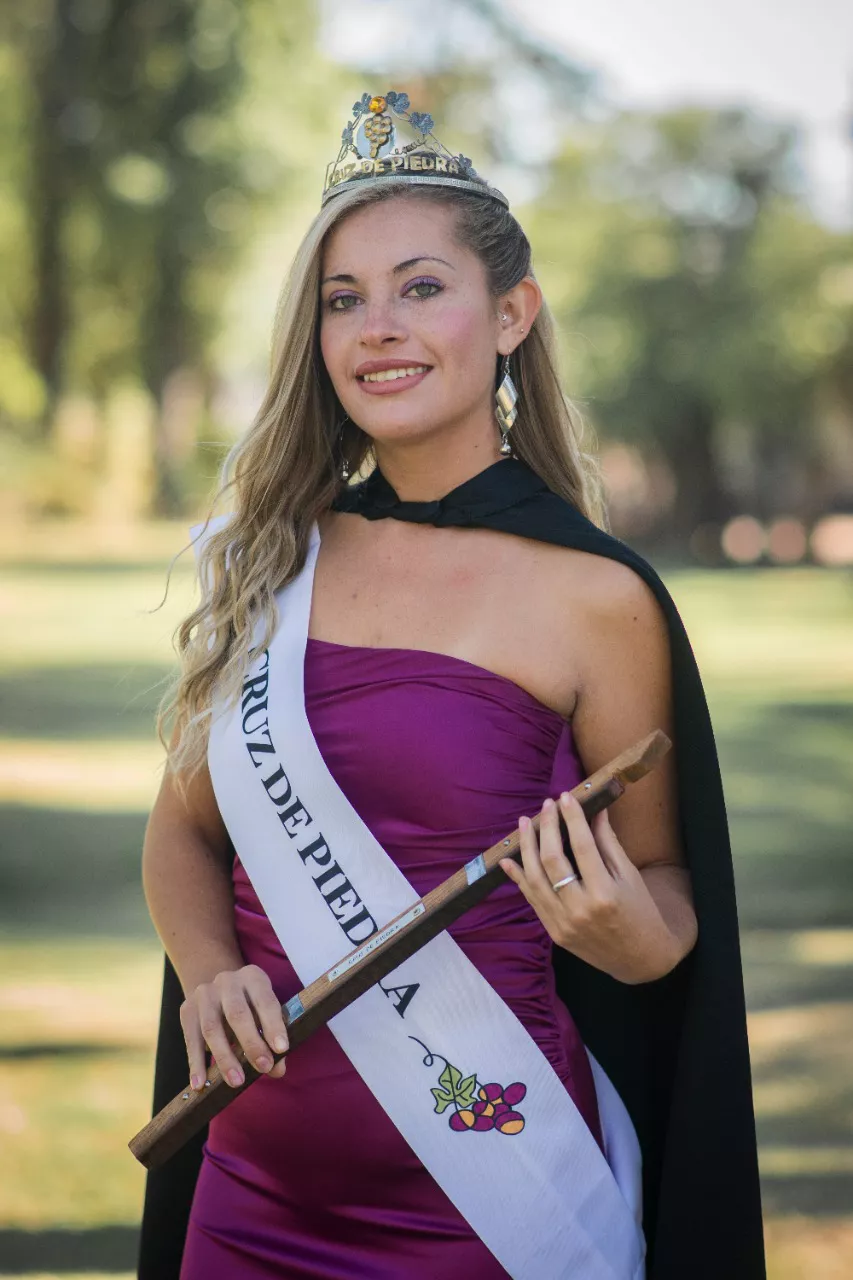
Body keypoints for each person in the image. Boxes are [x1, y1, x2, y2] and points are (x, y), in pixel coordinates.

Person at [138, 93, 765, 1279]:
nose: (378, 328)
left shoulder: (595, 596)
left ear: (512, 312)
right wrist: (209, 971)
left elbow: (669, 891)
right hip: (245, 1195)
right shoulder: (270, 557)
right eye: (343, 299)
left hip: (493, 1199)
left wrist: (627, 936)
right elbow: (182, 829)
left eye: (420, 287)